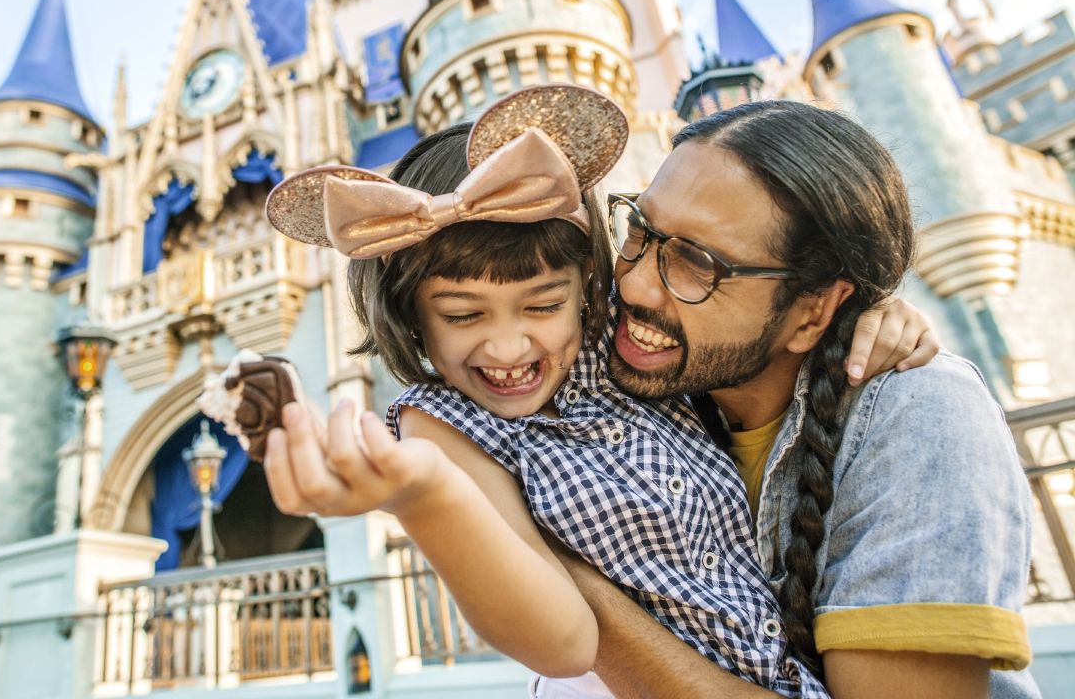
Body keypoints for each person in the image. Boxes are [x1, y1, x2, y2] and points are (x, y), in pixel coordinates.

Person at [255, 86, 938, 697]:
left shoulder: (623, 349)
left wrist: (879, 316)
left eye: (543, 305)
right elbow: (565, 643)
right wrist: (425, 495)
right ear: (410, 317)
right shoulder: (443, 425)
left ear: (589, 286)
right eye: (463, 316)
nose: (508, 348)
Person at [554, 99, 1040, 698]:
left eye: (698, 262)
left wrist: (560, 581)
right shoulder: (638, 377)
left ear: (814, 311)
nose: (633, 282)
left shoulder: (922, 417)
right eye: (639, 229)